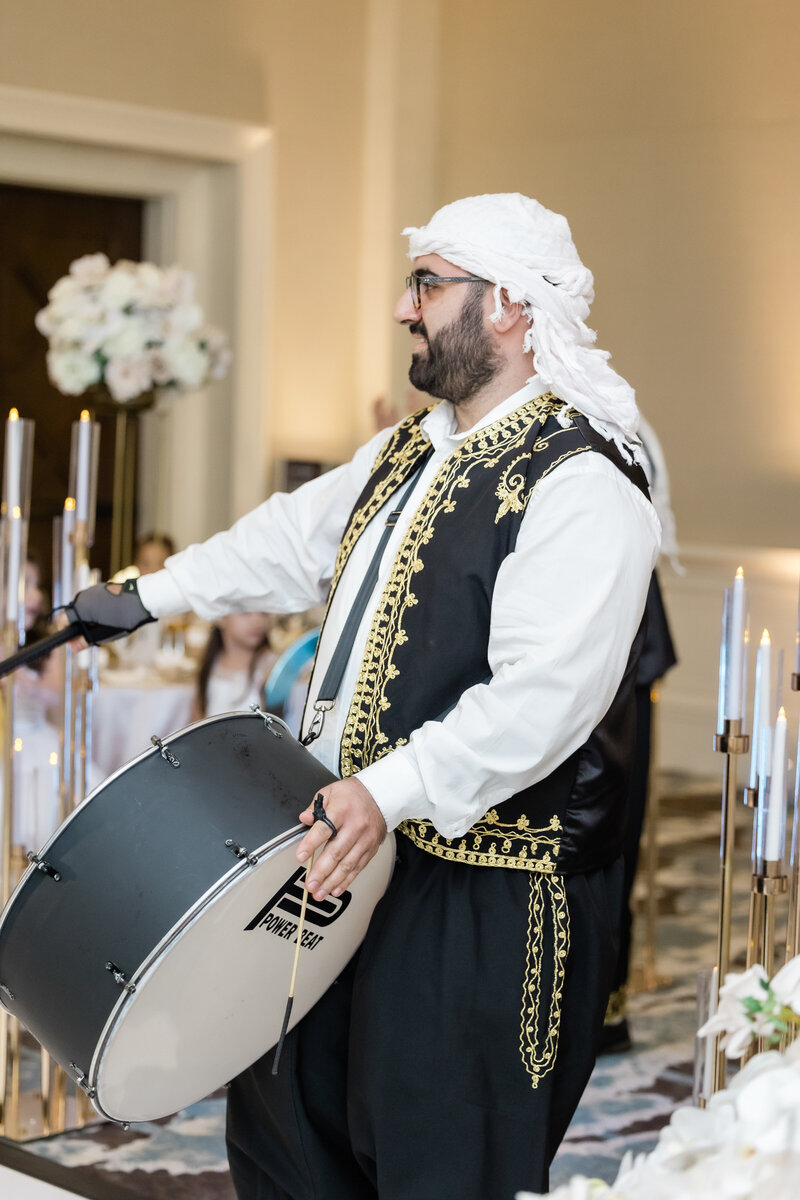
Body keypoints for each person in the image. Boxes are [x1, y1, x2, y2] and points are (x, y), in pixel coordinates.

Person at [67, 192, 661, 1199]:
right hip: (331, 861)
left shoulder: (579, 482)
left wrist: (388, 790)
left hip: (471, 898)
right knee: (287, 1143)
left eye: (425, 285)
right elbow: (283, 542)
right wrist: (142, 598)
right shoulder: (404, 452)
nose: (402, 308)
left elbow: (542, 699)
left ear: (508, 304)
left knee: (435, 1162)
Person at [192, 611, 277, 720]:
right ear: (220, 618)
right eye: (244, 611)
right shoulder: (211, 665)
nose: (257, 621)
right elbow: (196, 720)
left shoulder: (272, 667)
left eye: (264, 612)